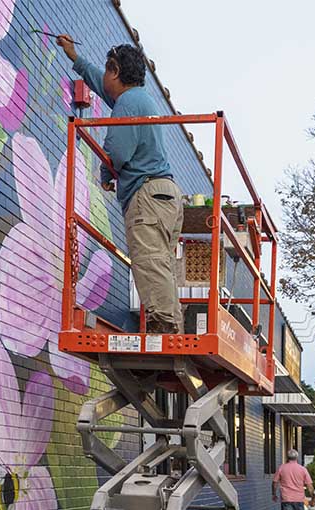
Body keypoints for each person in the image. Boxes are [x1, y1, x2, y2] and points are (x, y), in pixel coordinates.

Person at [56, 35, 183, 334]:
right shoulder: (139, 99)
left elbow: (118, 151)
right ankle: (169, 321)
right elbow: (102, 85)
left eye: (107, 70)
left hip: (147, 196)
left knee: (148, 260)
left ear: (115, 70)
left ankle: (163, 328)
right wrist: (75, 57)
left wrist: (104, 173)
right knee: (160, 263)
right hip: (165, 196)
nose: (104, 80)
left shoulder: (127, 103)